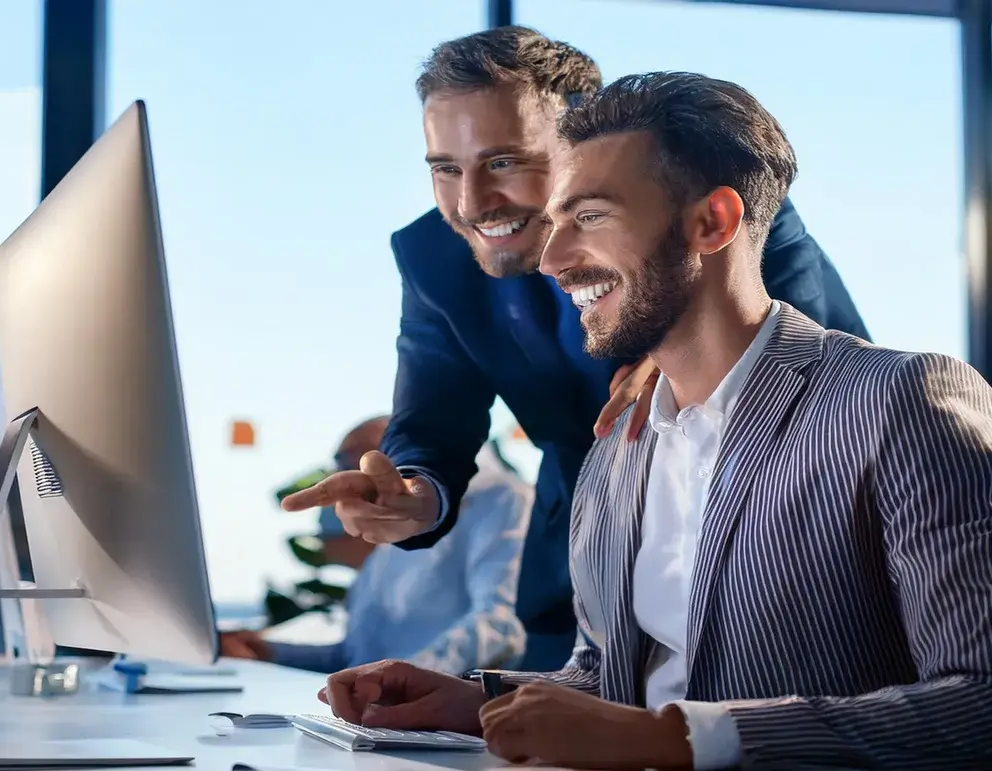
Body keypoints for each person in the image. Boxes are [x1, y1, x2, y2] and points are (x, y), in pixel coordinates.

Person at [315, 73, 992, 771]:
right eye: (553, 223)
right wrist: (470, 702)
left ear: (712, 222)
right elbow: (616, 683)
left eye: (589, 217)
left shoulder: (908, 403)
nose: (549, 260)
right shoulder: (617, 451)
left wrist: (670, 741)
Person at [280, 27, 870, 670]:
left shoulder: (713, 201)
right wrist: (416, 495)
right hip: (578, 559)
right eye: (446, 169)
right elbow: (432, 417)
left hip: (767, 540)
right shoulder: (432, 256)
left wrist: (684, 358)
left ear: (582, 140)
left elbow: (807, 350)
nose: (473, 203)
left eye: (505, 161)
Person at [221, 416, 531, 675]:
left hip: (438, 731)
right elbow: (351, 658)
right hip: (373, 719)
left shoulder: (503, 497)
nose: (340, 481)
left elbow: (500, 627)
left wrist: (398, 679)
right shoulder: (386, 528)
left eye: (345, 464)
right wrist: (265, 651)